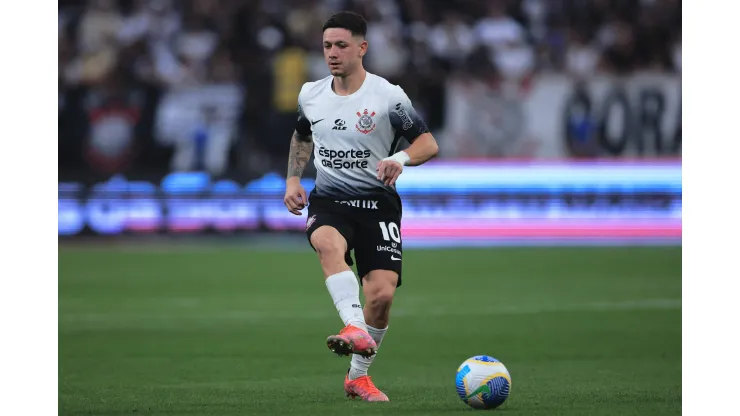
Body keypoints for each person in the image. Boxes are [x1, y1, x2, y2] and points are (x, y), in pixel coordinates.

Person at [283, 11, 440, 402]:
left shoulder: (387, 96)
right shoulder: (311, 94)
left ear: (362, 48)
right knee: (328, 245)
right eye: (326, 46)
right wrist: (292, 179)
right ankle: (353, 326)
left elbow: (427, 144)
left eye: (341, 45)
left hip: (378, 204)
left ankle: (357, 377)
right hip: (330, 200)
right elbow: (302, 136)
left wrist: (400, 160)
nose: (332, 54)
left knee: (382, 297)